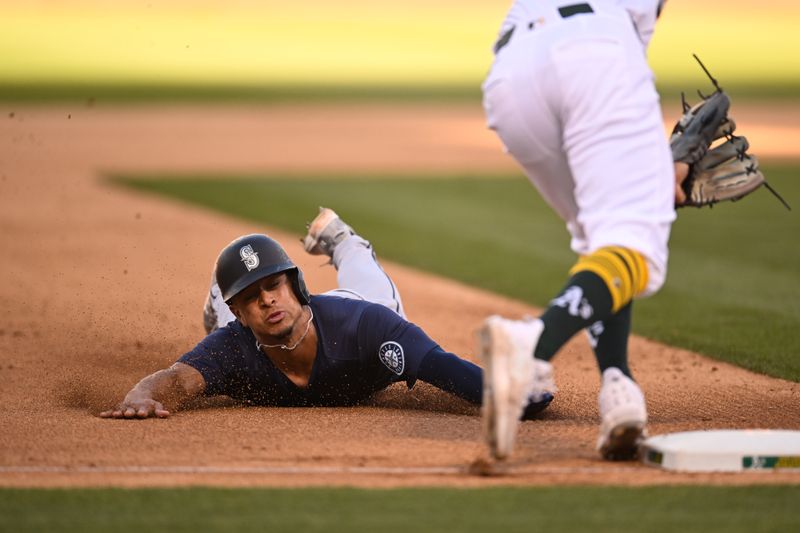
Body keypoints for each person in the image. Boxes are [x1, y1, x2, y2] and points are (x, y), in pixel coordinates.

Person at [479, 0, 687, 461]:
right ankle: (530, 344)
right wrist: (660, 166)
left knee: (605, 242)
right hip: (595, 52)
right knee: (636, 249)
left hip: (511, 75)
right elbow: (627, 42)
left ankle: (619, 388)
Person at [100, 208, 553, 419]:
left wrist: (515, 392)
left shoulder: (370, 328)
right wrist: (142, 395)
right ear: (244, 312)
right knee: (224, 321)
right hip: (237, 330)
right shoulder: (233, 343)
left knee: (367, 278)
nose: (268, 301)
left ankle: (343, 238)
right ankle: (218, 298)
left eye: (275, 286)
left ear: (295, 286)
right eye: (253, 297)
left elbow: (446, 369)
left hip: (357, 307)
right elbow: (176, 379)